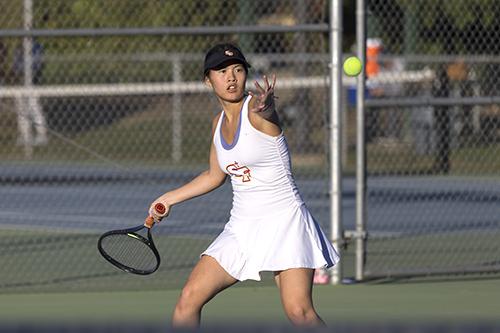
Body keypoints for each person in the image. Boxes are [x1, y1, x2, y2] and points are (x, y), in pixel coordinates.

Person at [147, 43, 340, 328]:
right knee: (188, 299)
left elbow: (270, 115)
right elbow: (215, 175)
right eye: (222, 71)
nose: (231, 77)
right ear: (207, 80)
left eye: (238, 69)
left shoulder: (257, 113)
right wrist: (169, 198)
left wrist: (269, 108)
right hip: (241, 228)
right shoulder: (217, 123)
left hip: (284, 222)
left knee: (299, 312)